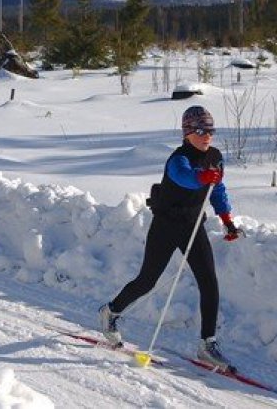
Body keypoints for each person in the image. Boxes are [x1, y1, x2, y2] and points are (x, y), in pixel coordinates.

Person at [99, 105, 242, 371]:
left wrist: (227, 221)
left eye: (210, 130)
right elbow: (184, 177)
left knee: (209, 283)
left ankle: (207, 345)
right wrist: (202, 176)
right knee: (147, 280)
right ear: (188, 132)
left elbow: (218, 189)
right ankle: (110, 312)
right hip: (166, 226)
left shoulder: (215, 156)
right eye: (200, 130)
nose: (206, 135)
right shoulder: (179, 158)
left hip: (193, 226)